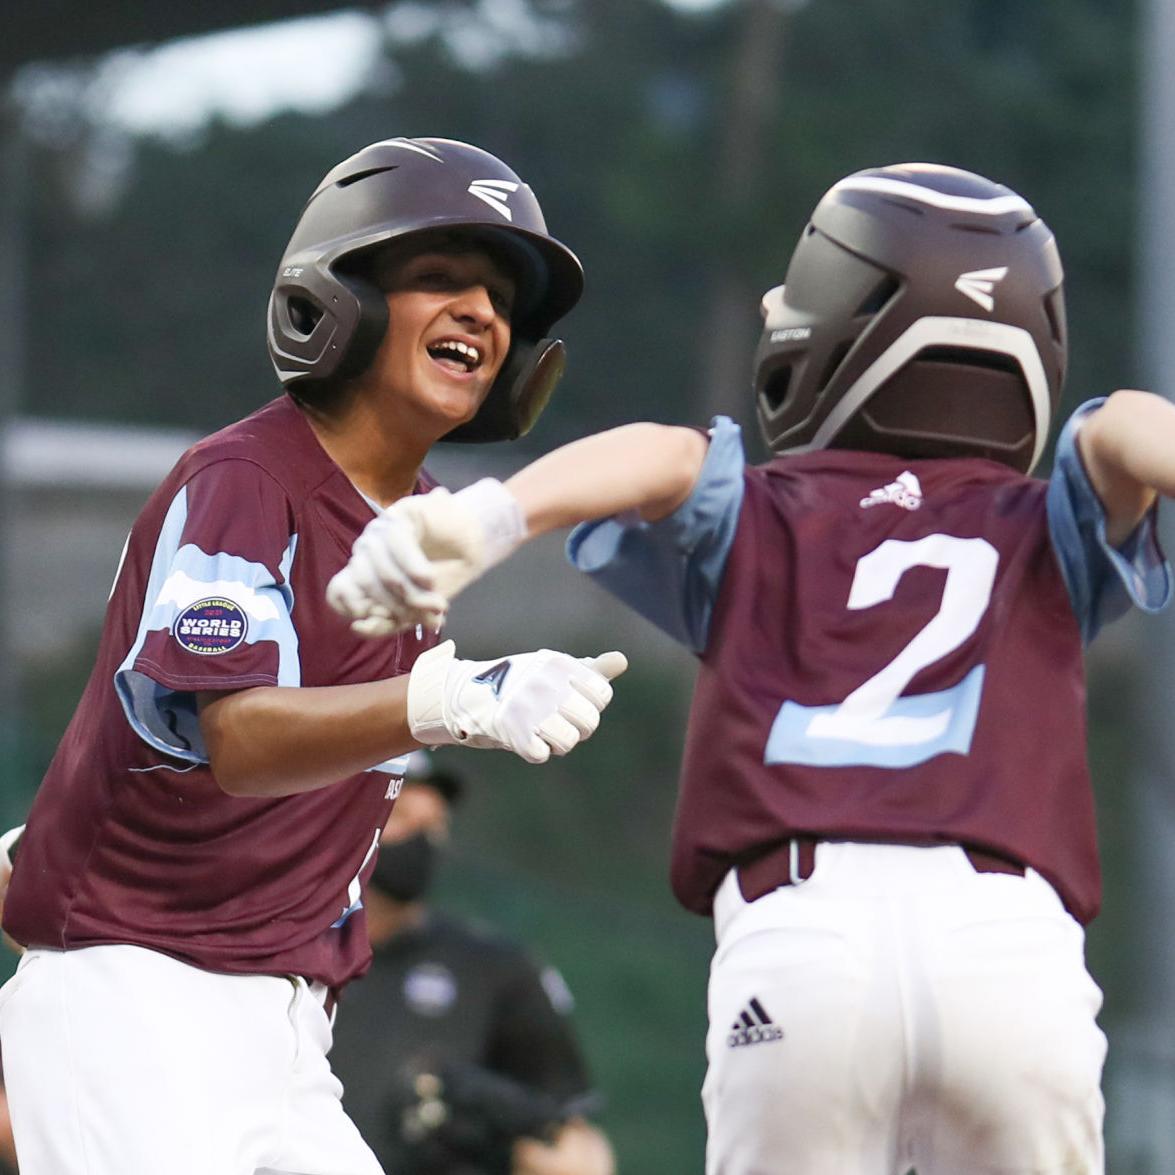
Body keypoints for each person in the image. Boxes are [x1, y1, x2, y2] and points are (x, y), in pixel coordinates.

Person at [327, 162, 1175, 1174]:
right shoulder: (1036, 519)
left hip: (804, 937)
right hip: (1011, 948)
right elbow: (1126, 427)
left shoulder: (768, 505)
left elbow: (662, 455)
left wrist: (489, 515)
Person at [0, 136, 626, 1175]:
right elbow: (237, 736)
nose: (479, 310)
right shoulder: (249, 476)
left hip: (288, 1028)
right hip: (144, 1000)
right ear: (338, 303)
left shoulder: (423, 523)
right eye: (437, 277)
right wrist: (445, 697)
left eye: (498, 295)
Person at [330, 750, 615, 1175]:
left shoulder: (495, 969)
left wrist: (501, 1139)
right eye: (404, 815)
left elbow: (585, 1160)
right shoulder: (277, 952)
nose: (422, 836)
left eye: (436, 823)